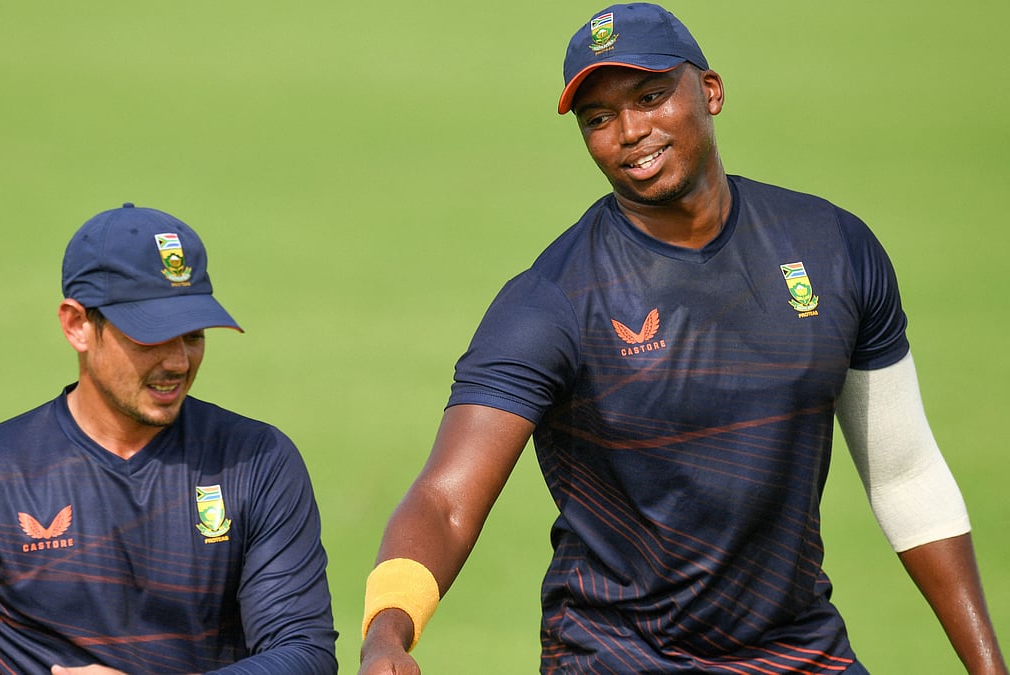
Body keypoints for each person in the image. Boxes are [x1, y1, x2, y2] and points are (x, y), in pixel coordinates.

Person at [358, 4, 1006, 674]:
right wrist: (388, 632)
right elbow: (445, 498)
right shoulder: (551, 301)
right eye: (599, 118)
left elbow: (905, 474)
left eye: (649, 97)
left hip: (798, 650)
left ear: (712, 92)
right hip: (617, 656)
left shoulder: (832, 249)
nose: (630, 131)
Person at [0, 204, 337, 673]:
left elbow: (304, 653)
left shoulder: (256, 461)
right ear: (76, 325)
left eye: (194, 335)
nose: (178, 362)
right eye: (151, 336)